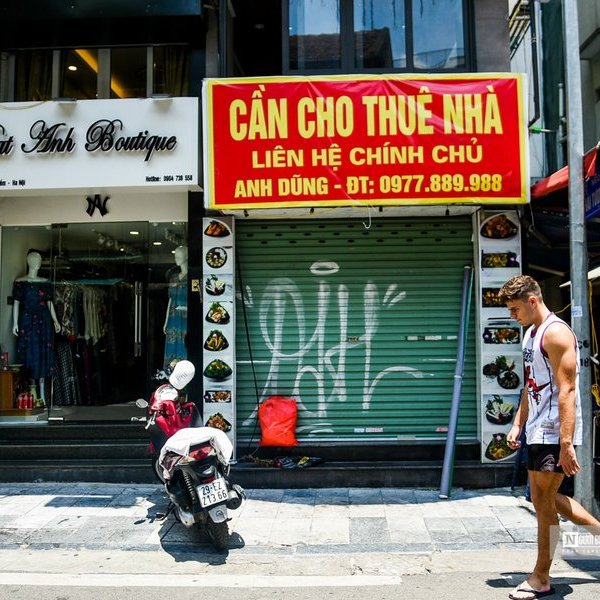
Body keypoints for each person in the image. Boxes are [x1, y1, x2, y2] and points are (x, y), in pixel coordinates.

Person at [498, 275, 600, 600]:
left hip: (555, 430)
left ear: (532, 301)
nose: (512, 316)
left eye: (515, 309)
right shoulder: (531, 334)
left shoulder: (556, 333)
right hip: (536, 428)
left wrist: (567, 443)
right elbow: (531, 385)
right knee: (541, 499)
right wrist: (517, 423)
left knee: (543, 502)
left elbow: (568, 390)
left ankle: (541, 576)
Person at [12, 250, 61, 404]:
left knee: (42, 354)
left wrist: (55, 320)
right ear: (29, 261)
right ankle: (31, 392)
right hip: (27, 322)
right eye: (35, 259)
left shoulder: (44, 282)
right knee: (29, 354)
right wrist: (14, 323)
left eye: (39, 259)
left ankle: (42, 394)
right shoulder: (21, 282)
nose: (38, 262)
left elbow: (49, 302)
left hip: (43, 321)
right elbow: (16, 303)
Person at [163, 245, 188, 370]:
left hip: (185, 319)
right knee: (172, 347)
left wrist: (186, 309)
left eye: (179, 255)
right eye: (175, 255)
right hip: (173, 319)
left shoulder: (192, 278)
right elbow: (170, 300)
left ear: (187, 256)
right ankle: (171, 373)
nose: (176, 258)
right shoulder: (173, 277)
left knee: (184, 345)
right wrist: (166, 321)